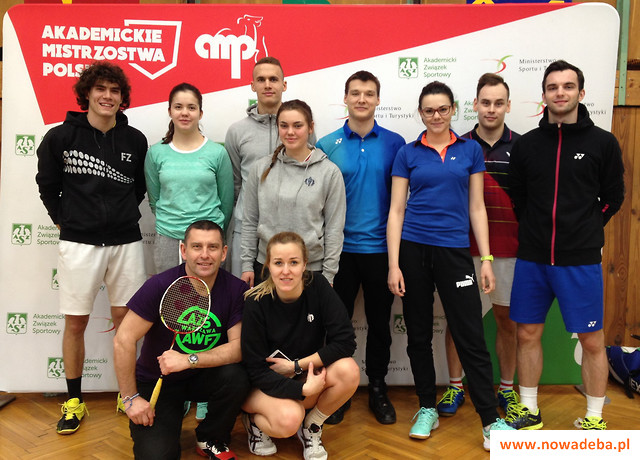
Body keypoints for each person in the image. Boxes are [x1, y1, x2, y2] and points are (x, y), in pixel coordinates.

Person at [387, 81, 514, 450]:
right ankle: (427, 407)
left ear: (454, 109)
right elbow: (396, 211)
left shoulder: (469, 150)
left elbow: (477, 207)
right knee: (418, 334)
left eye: (443, 109)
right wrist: (394, 265)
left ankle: (489, 421)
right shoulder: (408, 153)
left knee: (470, 334)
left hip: (455, 253)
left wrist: (486, 259)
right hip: (413, 251)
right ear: (420, 113)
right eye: (429, 110)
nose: (436, 116)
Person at [506, 60, 625, 431]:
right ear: (544, 94)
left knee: (591, 339)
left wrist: (585, 229)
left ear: (581, 93)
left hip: (580, 260)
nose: (560, 92)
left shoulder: (603, 143)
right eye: (553, 87)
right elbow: (518, 198)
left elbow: (614, 197)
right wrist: (537, 230)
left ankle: (594, 417)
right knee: (526, 334)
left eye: (568, 86)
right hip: (533, 258)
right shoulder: (527, 145)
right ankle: (529, 410)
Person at [35, 61, 148, 435]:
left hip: (126, 241)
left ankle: (127, 394)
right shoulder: (60, 137)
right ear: (87, 93)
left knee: (126, 322)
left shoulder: (135, 140)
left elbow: (138, 188)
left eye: (115, 90)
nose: (108, 96)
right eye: (101, 89)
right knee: (75, 322)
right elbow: (47, 185)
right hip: (79, 242)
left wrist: (120, 215)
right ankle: (74, 401)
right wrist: (64, 220)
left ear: (122, 97)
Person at [113, 220, 250, 460]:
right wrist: (130, 398)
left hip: (204, 375)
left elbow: (237, 348)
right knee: (157, 456)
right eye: (197, 247)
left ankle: (210, 437)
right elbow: (123, 340)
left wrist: (188, 360)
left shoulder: (235, 289)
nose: (205, 255)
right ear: (184, 250)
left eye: (212, 247)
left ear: (224, 253)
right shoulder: (159, 285)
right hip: (159, 381)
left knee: (237, 376)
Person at [316, 70, 405, 425]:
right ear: (346, 98)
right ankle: (339, 391)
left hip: (382, 251)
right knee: (337, 327)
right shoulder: (327, 144)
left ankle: (378, 388)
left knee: (380, 324)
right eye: (355, 93)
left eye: (369, 93)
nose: (362, 99)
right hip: (338, 252)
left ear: (378, 99)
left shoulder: (396, 143)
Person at [438, 73, 521, 417]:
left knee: (507, 322)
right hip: (461, 249)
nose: (491, 109)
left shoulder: (523, 148)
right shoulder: (457, 145)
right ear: (474, 104)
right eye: (485, 102)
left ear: (508, 106)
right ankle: (455, 386)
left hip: (510, 251)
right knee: (459, 321)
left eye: (498, 103)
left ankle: (507, 390)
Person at [241, 232, 359, 459]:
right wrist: (302, 391)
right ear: (268, 265)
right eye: (278, 263)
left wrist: (296, 366)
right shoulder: (255, 301)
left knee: (348, 370)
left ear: (305, 264)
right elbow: (254, 370)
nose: (286, 271)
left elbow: (345, 342)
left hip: (299, 375)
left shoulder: (318, 286)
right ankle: (254, 421)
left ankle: (311, 426)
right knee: (288, 420)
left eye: (293, 262)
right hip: (261, 385)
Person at [240, 99, 346, 288]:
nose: (290, 132)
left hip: (311, 270)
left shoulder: (329, 172)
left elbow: (334, 229)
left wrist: (329, 274)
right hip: (267, 267)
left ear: (310, 127)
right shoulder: (260, 168)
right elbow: (250, 221)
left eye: (297, 125)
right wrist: (247, 264)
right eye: (284, 126)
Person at [145, 82, 234, 274]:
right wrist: (173, 224)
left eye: (191, 108)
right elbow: (154, 200)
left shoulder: (217, 153)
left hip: (208, 241)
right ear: (170, 111)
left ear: (200, 113)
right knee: (169, 292)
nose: (184, 113)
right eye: (178, 107)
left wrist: (210, 234)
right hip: (168, 239)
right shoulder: (156, 153)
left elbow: (226, 203)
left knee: (208, 293)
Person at [225, 57, 287, 278]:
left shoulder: (297, 128)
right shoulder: (237, 131)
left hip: (287, 227)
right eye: (261, 80)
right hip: (246, 228)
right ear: (253, 85)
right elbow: (235, 183)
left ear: (284, 85)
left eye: (273, 79)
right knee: (243, 293)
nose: (267, 85)